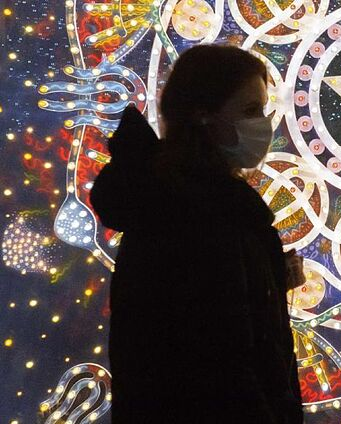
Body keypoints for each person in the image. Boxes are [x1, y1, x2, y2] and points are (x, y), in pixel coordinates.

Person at [90, 45, 305, 423]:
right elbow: (221, 364)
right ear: (202, 114)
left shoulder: (174, 200)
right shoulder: (197, 215)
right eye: (250, 110)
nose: (263, 124)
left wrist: (267, 282)